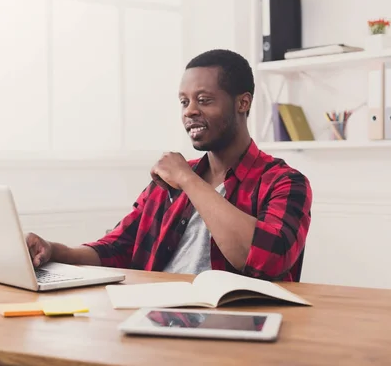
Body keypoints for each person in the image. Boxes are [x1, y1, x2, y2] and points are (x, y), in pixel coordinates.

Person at [26, 49, 312, 282]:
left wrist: (188, 180)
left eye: (204, 100)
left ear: (242, 103)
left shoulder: (285, 183)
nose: (189, 111)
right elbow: (117, 247)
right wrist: (54, 250)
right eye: (184, 102)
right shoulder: (170, 178)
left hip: (235, 325)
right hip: (155, 314)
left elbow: (267, 260)